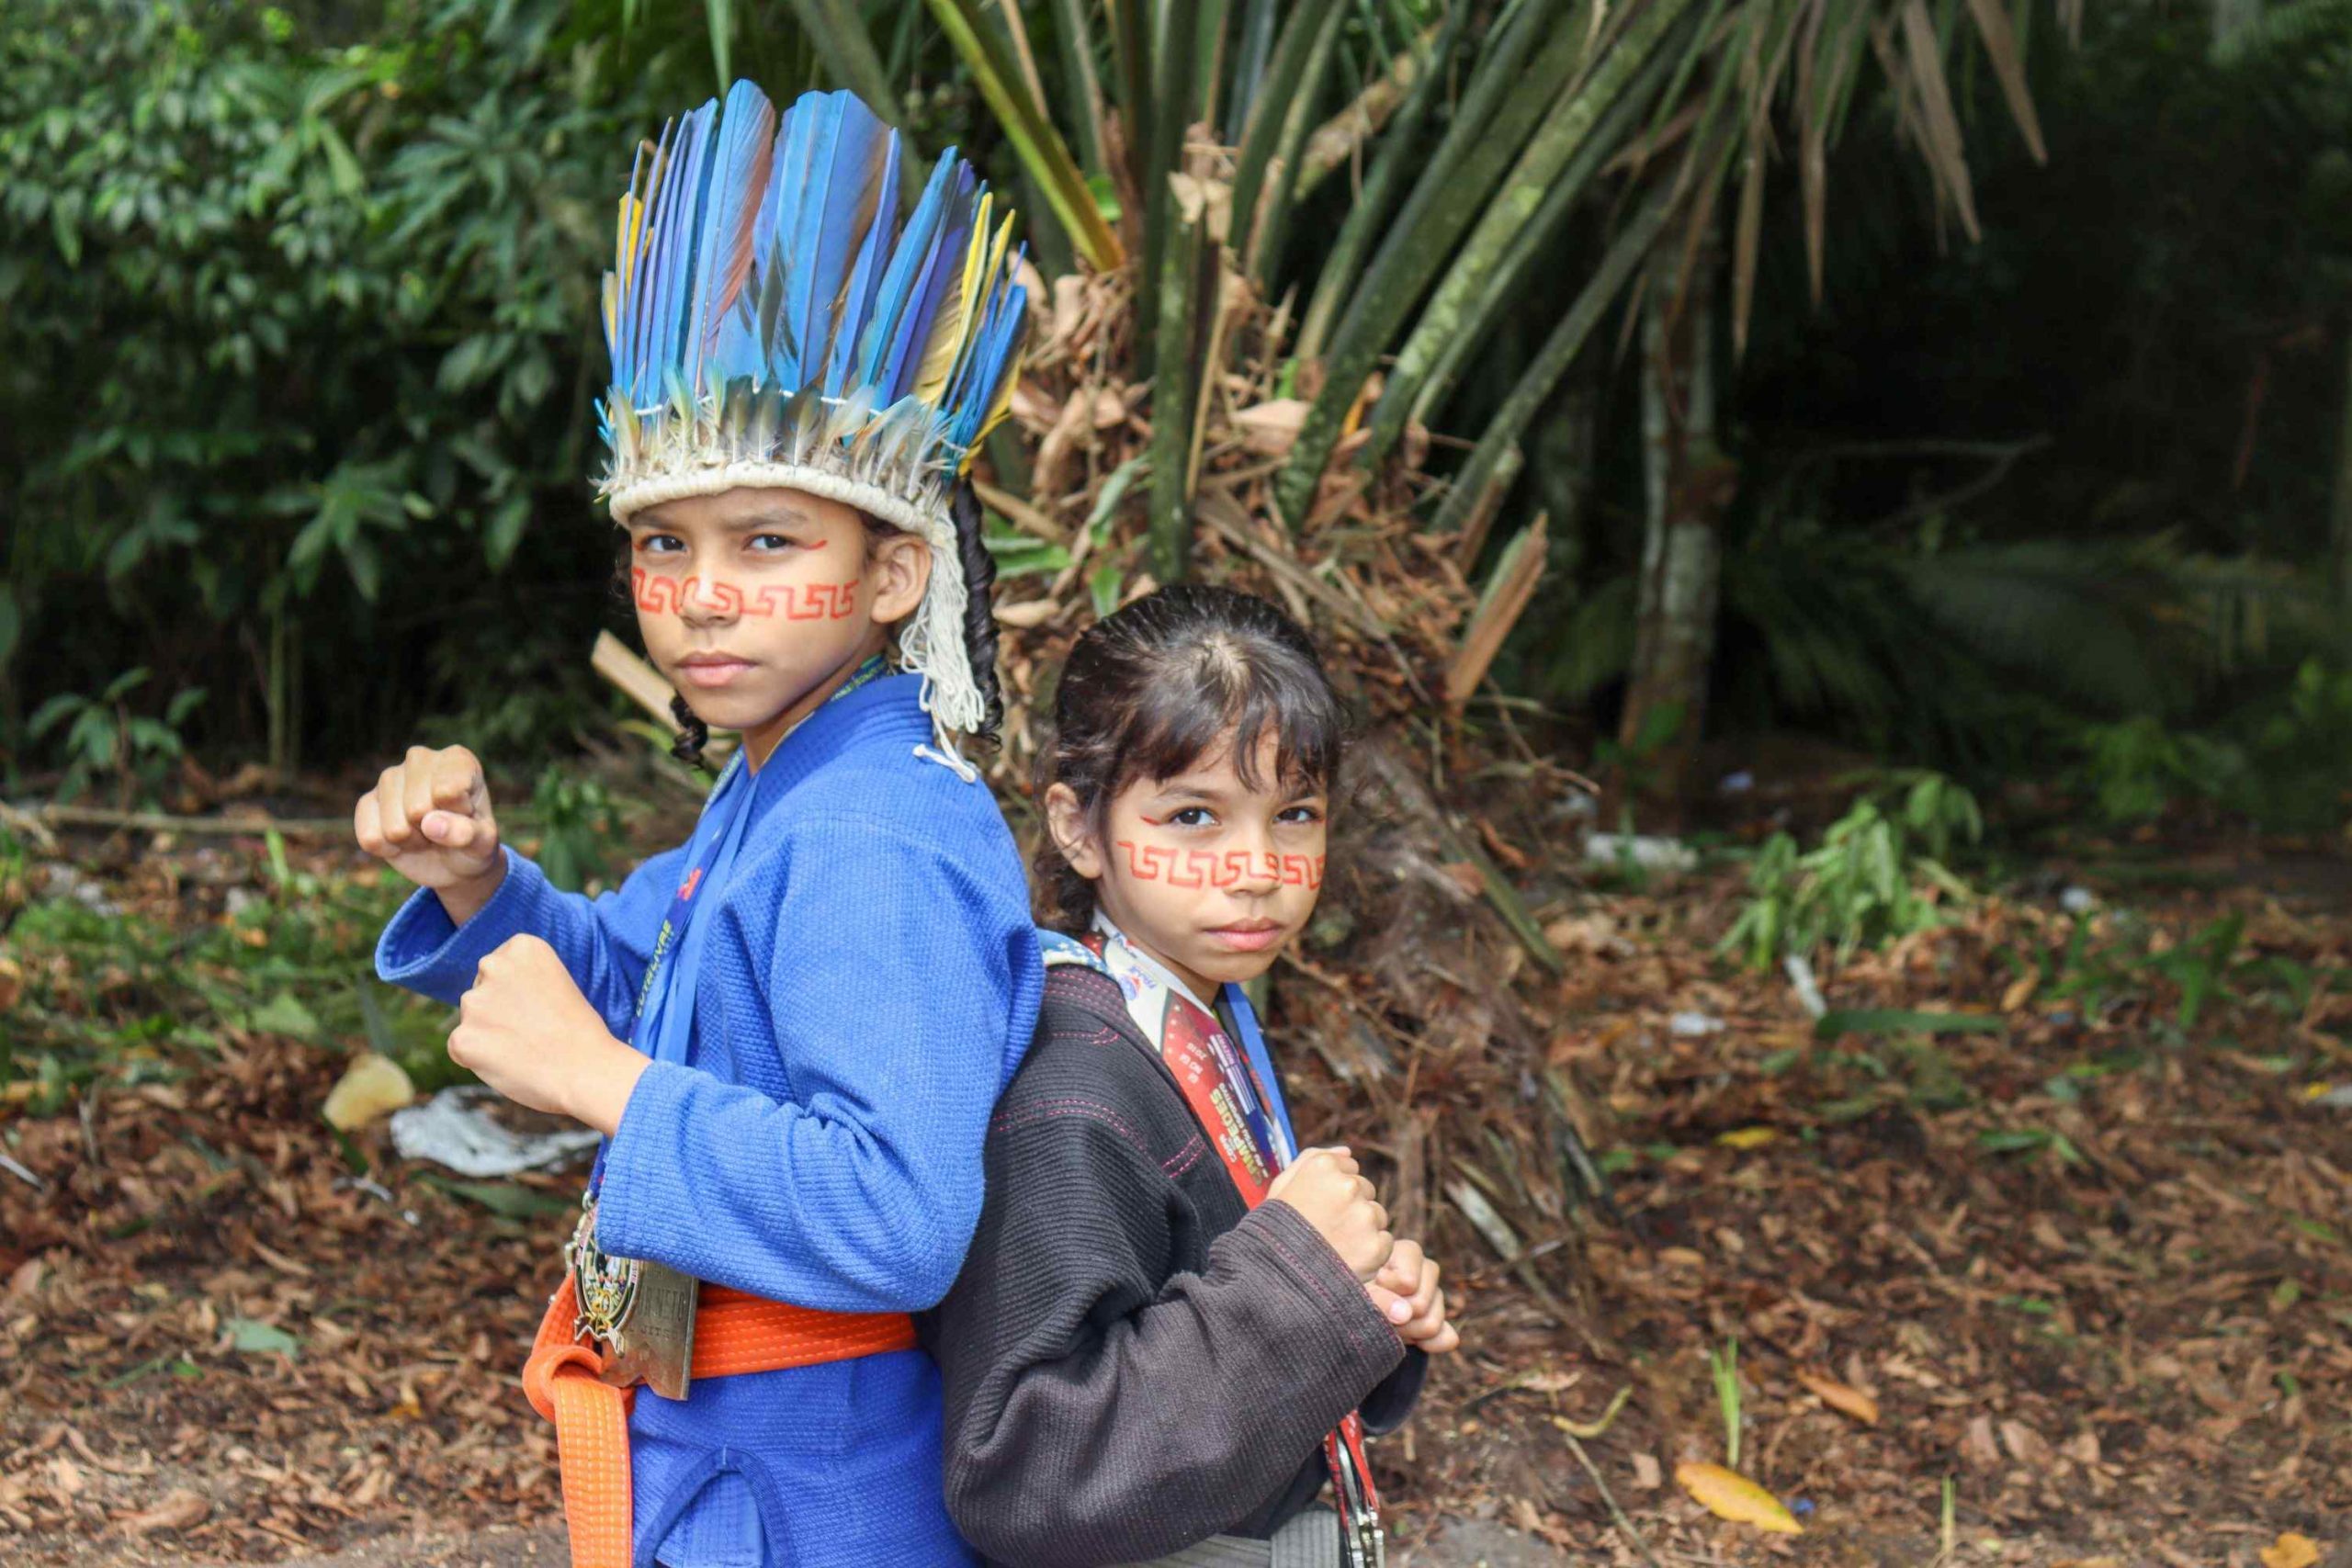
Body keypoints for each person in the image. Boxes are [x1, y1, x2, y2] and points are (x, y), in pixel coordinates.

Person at [354, 82, 1039, 1568]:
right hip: (740, 1461)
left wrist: (604, 1084)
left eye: (769, 539)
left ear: (897, 573)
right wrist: (479, 882)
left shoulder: (870, 833)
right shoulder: (782, 781)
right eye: (667, 542)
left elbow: (899, 1210)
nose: (705, 590)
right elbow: (644, 982)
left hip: (811, 1489)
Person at [923, 585, 1461, 1568]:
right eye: (1193, 817)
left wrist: (1359, 1304)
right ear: (1079, 830)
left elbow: (1199, 1302)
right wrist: (1300, 1280)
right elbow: (1032, 1468)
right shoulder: (1069, 1093)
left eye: (1293, 813)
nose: (1255, 864)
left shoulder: (1199, 1015)